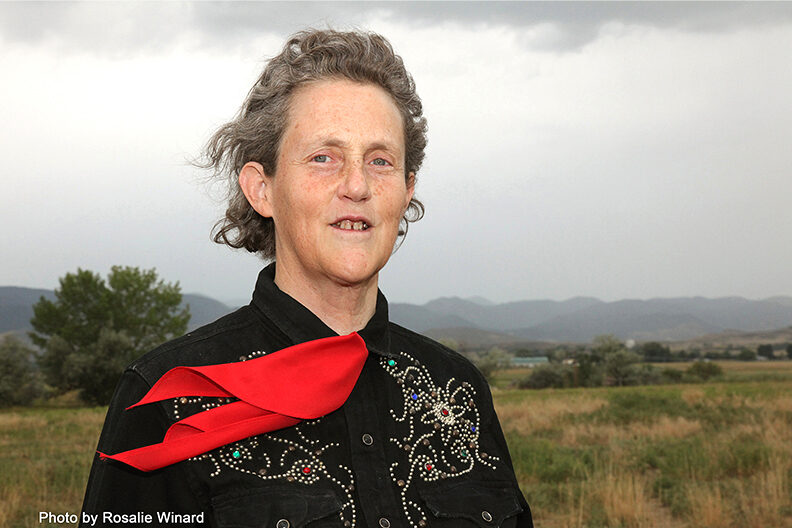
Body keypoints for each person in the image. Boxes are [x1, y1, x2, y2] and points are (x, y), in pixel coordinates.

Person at [81, 29, 533, 528]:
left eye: (380, 161)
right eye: (324, 158)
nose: (357, 186)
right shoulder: (168, 396)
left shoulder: (458, 388)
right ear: (262, 189)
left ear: (406, 192)